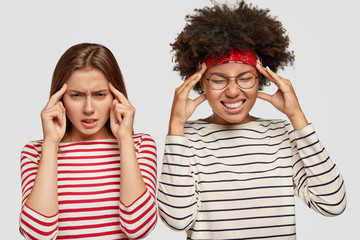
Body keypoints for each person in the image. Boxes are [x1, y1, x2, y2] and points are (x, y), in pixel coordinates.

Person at [157, 2, 346, 239]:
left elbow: (333, 203)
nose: (233, 91)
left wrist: (297, 117)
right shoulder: (187, 138)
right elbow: (177, 220)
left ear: (261, 78)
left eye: (245, 77)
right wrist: (176, 128)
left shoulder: (281, 134)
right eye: (218, 79)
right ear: (199, 82)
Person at [19, 43, 157, 239]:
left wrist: (125, 139)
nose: (89, 108)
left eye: (100, 95)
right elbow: (38, 234)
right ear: (60, 99)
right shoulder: (35, 153)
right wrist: (50, 143)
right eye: (76, 95)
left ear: (116, 97)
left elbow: (138, 228)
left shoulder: (139, 145)